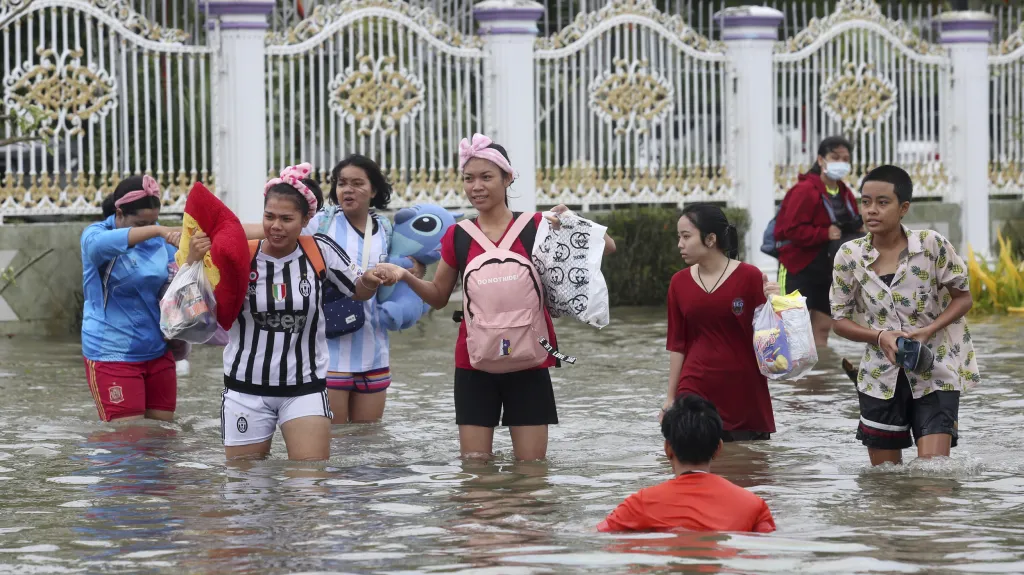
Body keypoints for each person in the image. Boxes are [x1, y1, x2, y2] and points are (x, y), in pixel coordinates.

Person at [396, 133, 614, 461]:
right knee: (475, 471)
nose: (476, 187)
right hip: (473, 363)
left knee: (532, 470)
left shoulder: (538, 225)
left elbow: (607, 247)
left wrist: (572, 224)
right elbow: (439, 297)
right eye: (469, 179)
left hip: (530, 359)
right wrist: (404, 276)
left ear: (508, 178)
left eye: (486, 177)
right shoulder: (457, 235)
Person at [776, 165, 979, 466]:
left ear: (903, 208)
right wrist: (879, 336)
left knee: (934, 476)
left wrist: (928, 330)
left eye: (883, 202)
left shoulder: (932, 245)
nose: (871, 210)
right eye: (866, 202)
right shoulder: (849, 255)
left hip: (935, 370)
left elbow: (963, 298)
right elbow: (839, 322)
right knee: (885, 481)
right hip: (879, 379)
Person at [219, 163, 402, 460]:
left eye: (287, 218)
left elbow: (358, 289)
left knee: (310, 486)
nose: (276, 226)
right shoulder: (242, 253)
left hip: (305, 388)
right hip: (245, 389)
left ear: (306, 219)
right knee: (245, 488)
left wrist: (370, 279)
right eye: (270, 217)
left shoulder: (320, 250)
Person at [303, 155, 425, 424]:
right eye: (342, 183)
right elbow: (280, 234)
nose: (347, 189)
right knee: (335, 444)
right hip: (328, 352)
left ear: (374, 190)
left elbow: (405, 266)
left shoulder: (385, 229)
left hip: (374, 350)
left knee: (368, 442)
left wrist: (417, 268)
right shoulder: (320, 223)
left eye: (357, 183)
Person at [80, 175, 208, 422]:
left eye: (153, 221)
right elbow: (96, 247)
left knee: (162, 439)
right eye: (141, 224)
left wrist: (191, 257)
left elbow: (178, 291)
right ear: (119, 213)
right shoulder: (95, 236)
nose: (149, 230)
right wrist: (159, 229)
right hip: (112, 353)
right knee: (128, 440)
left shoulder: (165, 244)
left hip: (158, 351)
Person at [663, 204, 775, 441]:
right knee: (693, 461)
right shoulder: (678, 283)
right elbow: (677, 344)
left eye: (686, 237)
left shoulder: (750, 277)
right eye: (678, 237)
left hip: (743, 392)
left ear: (711, 239)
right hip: (693, 387)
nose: (679, 244)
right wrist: (670, 398)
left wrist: (776, 302)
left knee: (747, 471)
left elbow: (770, 337)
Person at [599, 394, 776, 533]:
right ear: (718, 448)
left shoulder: (639, 504)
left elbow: (596, 535)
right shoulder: (753, 506)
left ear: (668, 448)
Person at [774, 136, 863, 347]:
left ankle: (817, 379)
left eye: (845, 158)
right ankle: (795, 380)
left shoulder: (845, 192)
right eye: (835, 157)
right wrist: (824, 233)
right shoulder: (804, 190)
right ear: (821, 160)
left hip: (827, 270)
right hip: (797, 267)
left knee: (822, 329)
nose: (840, 162)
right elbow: (790, 230)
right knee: (794, 331)